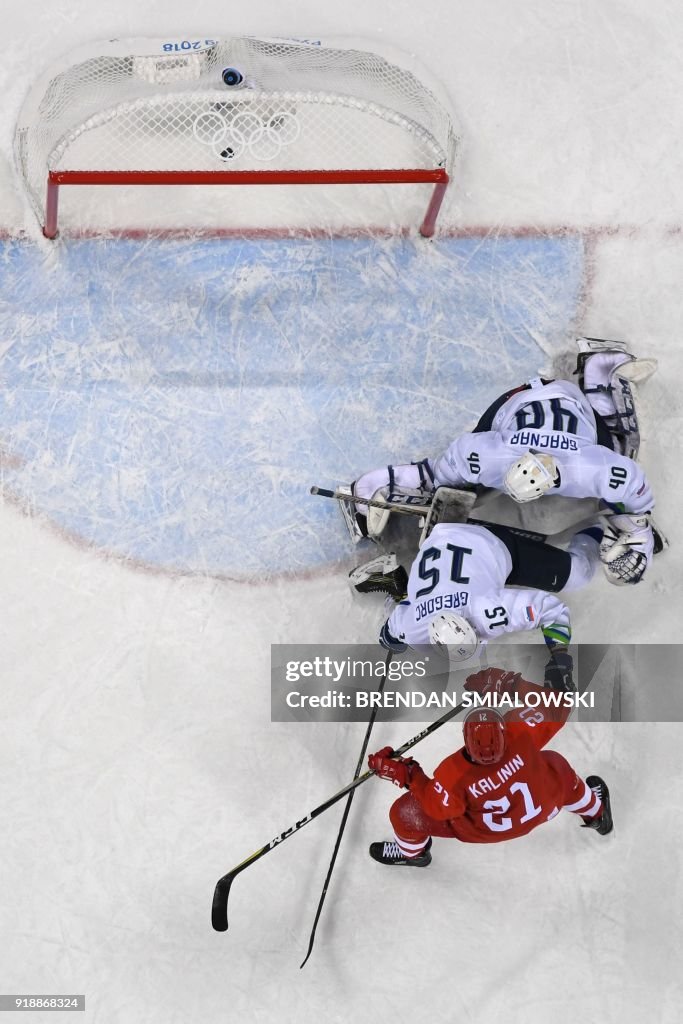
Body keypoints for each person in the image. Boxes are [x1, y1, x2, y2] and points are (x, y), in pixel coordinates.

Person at [347, 338, 659, 585]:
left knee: (622, 449)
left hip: (568, 400)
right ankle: (601, 368)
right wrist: (638, 535)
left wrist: (635, 531)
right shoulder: (490, 455)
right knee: (464, 482)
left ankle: (599, 368)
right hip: (516, 402)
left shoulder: (586, 469)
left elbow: (636, 489)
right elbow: (635, 491)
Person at [366, 665, 613, 867]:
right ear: (503, 731)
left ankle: (413, 855)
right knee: (556, 767)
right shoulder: (520, 732)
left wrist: (407, 773)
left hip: (484, 829)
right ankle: (597, 814)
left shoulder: (454, 773)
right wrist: (510, 683)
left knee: (404, 813)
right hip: (542, 804)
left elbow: (436, 806)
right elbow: (559, 704)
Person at [350, 517, 603, 656]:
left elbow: (553, 610)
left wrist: (560, 658)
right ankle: (396, 582)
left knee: (578, 574)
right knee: (394, 639)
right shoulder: (411, 626)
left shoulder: (487, 610)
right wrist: (392, 638)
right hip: (435, 541)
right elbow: (389, 635)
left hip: (487, 540)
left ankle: (600, 526)